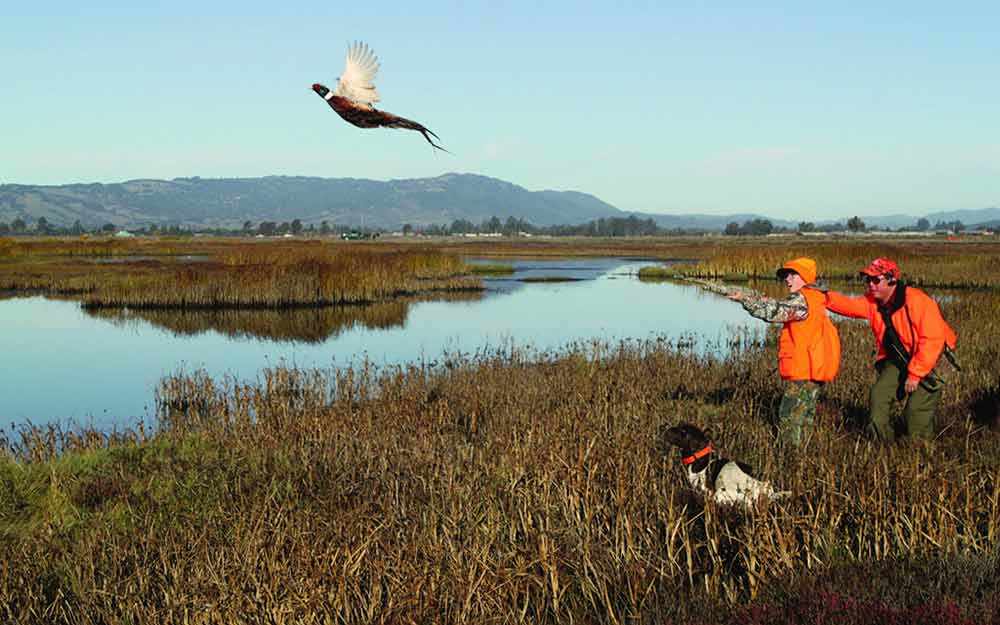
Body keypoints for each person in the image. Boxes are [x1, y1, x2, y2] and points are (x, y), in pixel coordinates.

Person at [824, 258, 957, 442]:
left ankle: (918, 452)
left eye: (876, 280)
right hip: (899, 359)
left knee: (916, 411)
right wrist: (823, 296)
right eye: (867, 280)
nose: (870, 284)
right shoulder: (873, 302)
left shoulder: (917, 301)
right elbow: (849, 305)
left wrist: (915, 374)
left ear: (892, 280)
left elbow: (932, 340)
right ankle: (883, 444)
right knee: (879, 396)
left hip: (932, 359)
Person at [725, 257, 841, 447]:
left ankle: (790, 458)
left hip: (802, 370)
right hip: (814, 369)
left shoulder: (801, 300)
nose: (787, 279)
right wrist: (762, 300)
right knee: (805, 416)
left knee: (789, 416)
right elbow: (782, 308)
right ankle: (803, 456)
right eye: (786, 275)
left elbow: (774, 312)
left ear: (804, 277)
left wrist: (744, 299)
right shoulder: (816, 297)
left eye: (792, 275)